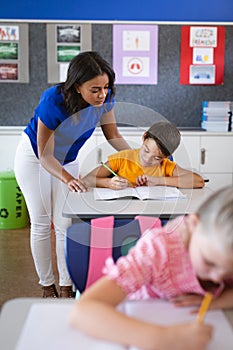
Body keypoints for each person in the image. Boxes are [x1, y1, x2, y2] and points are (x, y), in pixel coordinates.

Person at [14, 51, 130, 298]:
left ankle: (67, 286)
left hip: (69, 159)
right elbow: (45, 156)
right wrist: (68, 178)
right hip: (35, 158)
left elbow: (114, 137)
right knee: (42, 222)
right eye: (95, 89)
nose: (102, 95)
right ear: (77, 87)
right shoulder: (53, 100)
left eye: (106, 87)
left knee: (65, 223)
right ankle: (47, 286)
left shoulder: (104, 102)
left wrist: (139, 158)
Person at [69, 186, 233, 350]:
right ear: (194, 225)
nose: (218, 277)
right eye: (209, 262)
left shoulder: (214, 250)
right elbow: (83, 312)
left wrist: (221, 300)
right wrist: (164, 339)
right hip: (139, 321)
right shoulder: (158, 250)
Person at [83, 121, 205, 189]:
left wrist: (157, 181)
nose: (147, 159)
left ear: (167, 156)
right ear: (144, 137)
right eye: (146, 150)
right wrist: (108, 183)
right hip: (120, 212)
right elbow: (87, 179)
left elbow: (199, 182)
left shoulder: (165, 166)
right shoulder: (122, 158)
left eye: (156, 158)